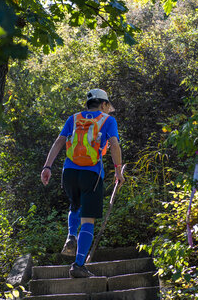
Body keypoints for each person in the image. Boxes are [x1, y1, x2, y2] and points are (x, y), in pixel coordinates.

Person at [40, 89, 125, 278]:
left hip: (69, 172)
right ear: (103, 105)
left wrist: (47, 167)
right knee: (88, 219)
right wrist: (118, 170)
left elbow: (59, 141)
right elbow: (114, 144)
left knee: (75, 205)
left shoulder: (74, 118)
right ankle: (78, 264)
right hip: (92, 173)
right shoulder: (107, 120)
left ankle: (71, 235)